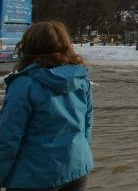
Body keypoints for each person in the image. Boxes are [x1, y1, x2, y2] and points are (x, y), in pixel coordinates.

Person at [0, 22, 93, 191]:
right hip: (77, 167)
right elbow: (87, 124)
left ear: (27, 47)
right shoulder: (80, 79)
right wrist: (80, 158)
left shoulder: (23, 84)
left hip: (34, 175)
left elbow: (8, 138)